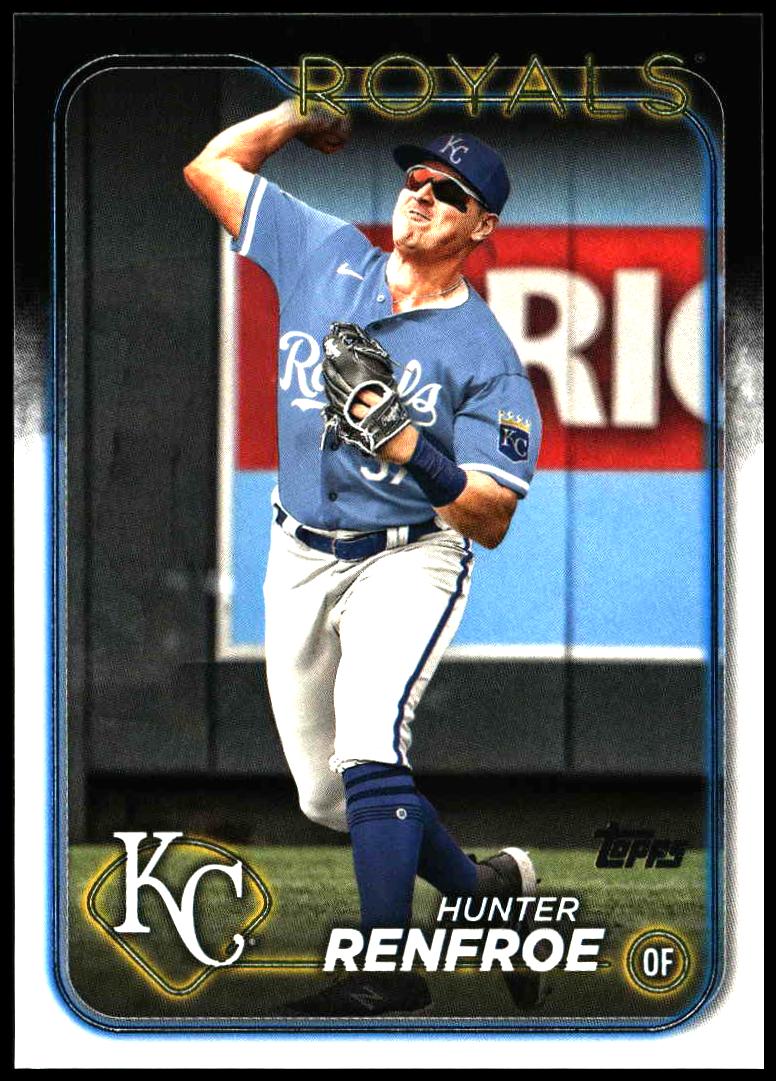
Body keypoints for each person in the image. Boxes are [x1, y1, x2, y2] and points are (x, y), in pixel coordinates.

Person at [184, 99, 543, 1017]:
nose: (421, 195)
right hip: (299, 548)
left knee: (371, 741)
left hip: (409, 556)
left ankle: (387, 969)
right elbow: (210, 168)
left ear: (482, 227)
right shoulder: (326, 250)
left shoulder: (487, 356)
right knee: (325, 794)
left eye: (449, 192)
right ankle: (487, 891)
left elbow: (490, 516)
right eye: (416, 177)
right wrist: (294, 115)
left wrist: (409, 445)